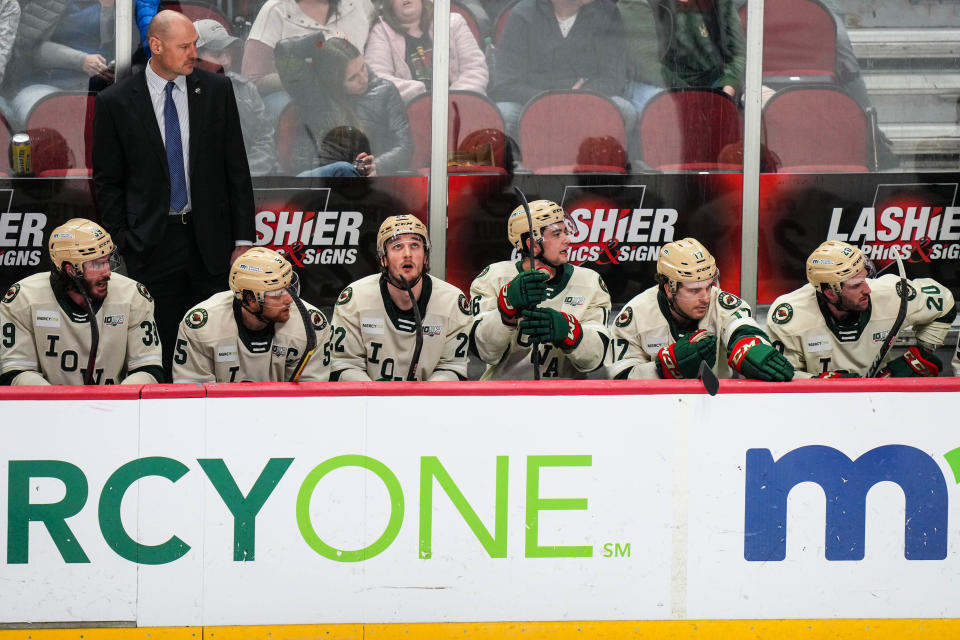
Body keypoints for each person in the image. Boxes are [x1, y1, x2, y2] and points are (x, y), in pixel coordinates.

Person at [92, 10, 255, 376]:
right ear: (156, 45)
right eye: (184, 46)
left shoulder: (216, 90)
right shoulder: (115, 102)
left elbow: (236, 169)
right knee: (158, 347)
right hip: (150, 244)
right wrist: (122, 240)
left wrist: (243, 239)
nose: (193, 53)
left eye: (195, 45)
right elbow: (108, 182)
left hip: (210, 241)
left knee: (214, 344)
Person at [0, 218, 163, 386]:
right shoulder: (24, 298)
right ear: (70, 270)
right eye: (97, 264)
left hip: (114, 408)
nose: (107, 272)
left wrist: (115, 403)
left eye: (107, 260)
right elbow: (15, 372)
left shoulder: (133, 296)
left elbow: (149, 369)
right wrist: (56, 403)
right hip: (47, 409)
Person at [608, 237, 793, 381]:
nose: (705, 297)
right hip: (657, 410)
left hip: (716, 406)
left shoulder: (721, 302)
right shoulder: (636, 314)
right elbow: (619, 378)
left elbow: (742, 328)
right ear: (668, 288)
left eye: (709, 286)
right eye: (694, 290)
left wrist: (750, 345)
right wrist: (662, 369)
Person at [766, 240, 956, 378]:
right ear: (830, 293)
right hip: (815, 409)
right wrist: (823, 383)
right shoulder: (790, 315)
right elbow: (781, 376)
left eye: (866, 278)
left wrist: (922, 352)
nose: (868, 289)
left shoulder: (892, 294)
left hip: (879, 404)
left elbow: (944, 301)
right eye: (856, 285)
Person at [469, 200, 610, 380]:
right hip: (506, 398)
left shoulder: (590, 282)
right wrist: (505, 313)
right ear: (533, 244)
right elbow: (485, 353)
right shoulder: (494, 277)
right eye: (557, 234)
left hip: (567, 400)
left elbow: (593, 361)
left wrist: (569, 330)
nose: (568, 239)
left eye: (565, 232)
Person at [330, 215, 472, 381]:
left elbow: (453, 368)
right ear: (383, 258)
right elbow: (344, 365)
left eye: (415, 245)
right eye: (397, 246)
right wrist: (377, 399)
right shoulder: (355, 298)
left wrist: (419, 401)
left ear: (425, 256)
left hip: (428, 405)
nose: (407, 254)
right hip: (370, 403)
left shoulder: (452, 301)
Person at [172, 247, 330, 383]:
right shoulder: (202, 325)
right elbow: (191, 398)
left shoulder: (311, 326)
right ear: (249, 300)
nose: (289, 299)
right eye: (277, 293)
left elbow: (312, 397)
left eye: (289, 288)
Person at [490, 0, 636, 144]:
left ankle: (596, 162)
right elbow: (505, 83)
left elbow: (613, 77)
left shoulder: (607, 13)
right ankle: (524, 165)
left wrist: (579, 97)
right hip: (533, 103)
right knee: (503, 115)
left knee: (623, 110)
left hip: (586, 101)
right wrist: (553, 99)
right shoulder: (523, 14)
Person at [285, 37, 412, 177]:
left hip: (370, 177)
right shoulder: (316, 98)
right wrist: (320, 41)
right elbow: (285, 51)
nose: (363, 79)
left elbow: (405, 145)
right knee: (343, 169)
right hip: (328, 178)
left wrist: (379, 166)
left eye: (363, 68)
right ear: (334, 82)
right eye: (353, 78)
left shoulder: (385, 90)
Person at [241, 0, 375, 121]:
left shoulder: (360, 4)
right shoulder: (275, 10)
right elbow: (253, 79)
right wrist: (309, 80)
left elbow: (377, 55)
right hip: (301, 105)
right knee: (280, 103)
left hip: (357, 94)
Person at [6, 0, 115, 125]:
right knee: (44, 116)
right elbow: (30, 50)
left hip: (100, 86)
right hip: (47, 83)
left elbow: (123, 48)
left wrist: (108, 8)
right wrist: (81, 60)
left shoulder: (123, 6)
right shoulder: (47, 4)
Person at [194, 18, 279, 176]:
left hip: (251, 182)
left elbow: (265, 139)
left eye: (227, 54)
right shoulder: (176, 95)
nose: (226, 61)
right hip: (203, 190)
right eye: (217, 54)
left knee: (338, 170)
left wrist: (243, 174)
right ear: (193, 57)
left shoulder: (245, 89)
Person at [364, 0, 488, 104]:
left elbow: (475, 68)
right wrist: (420, 95)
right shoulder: (380, 32)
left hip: (461, 105)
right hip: (411, 112)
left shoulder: (453, 22)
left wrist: (454, 99)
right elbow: (378, 79)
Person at [648, 0, 745, 100]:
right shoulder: (655, 5)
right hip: (670, 87)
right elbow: (647, 62)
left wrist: (726, 91)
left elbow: (739, 53)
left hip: (717, 83)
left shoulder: (721, 4)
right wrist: (682, 90)